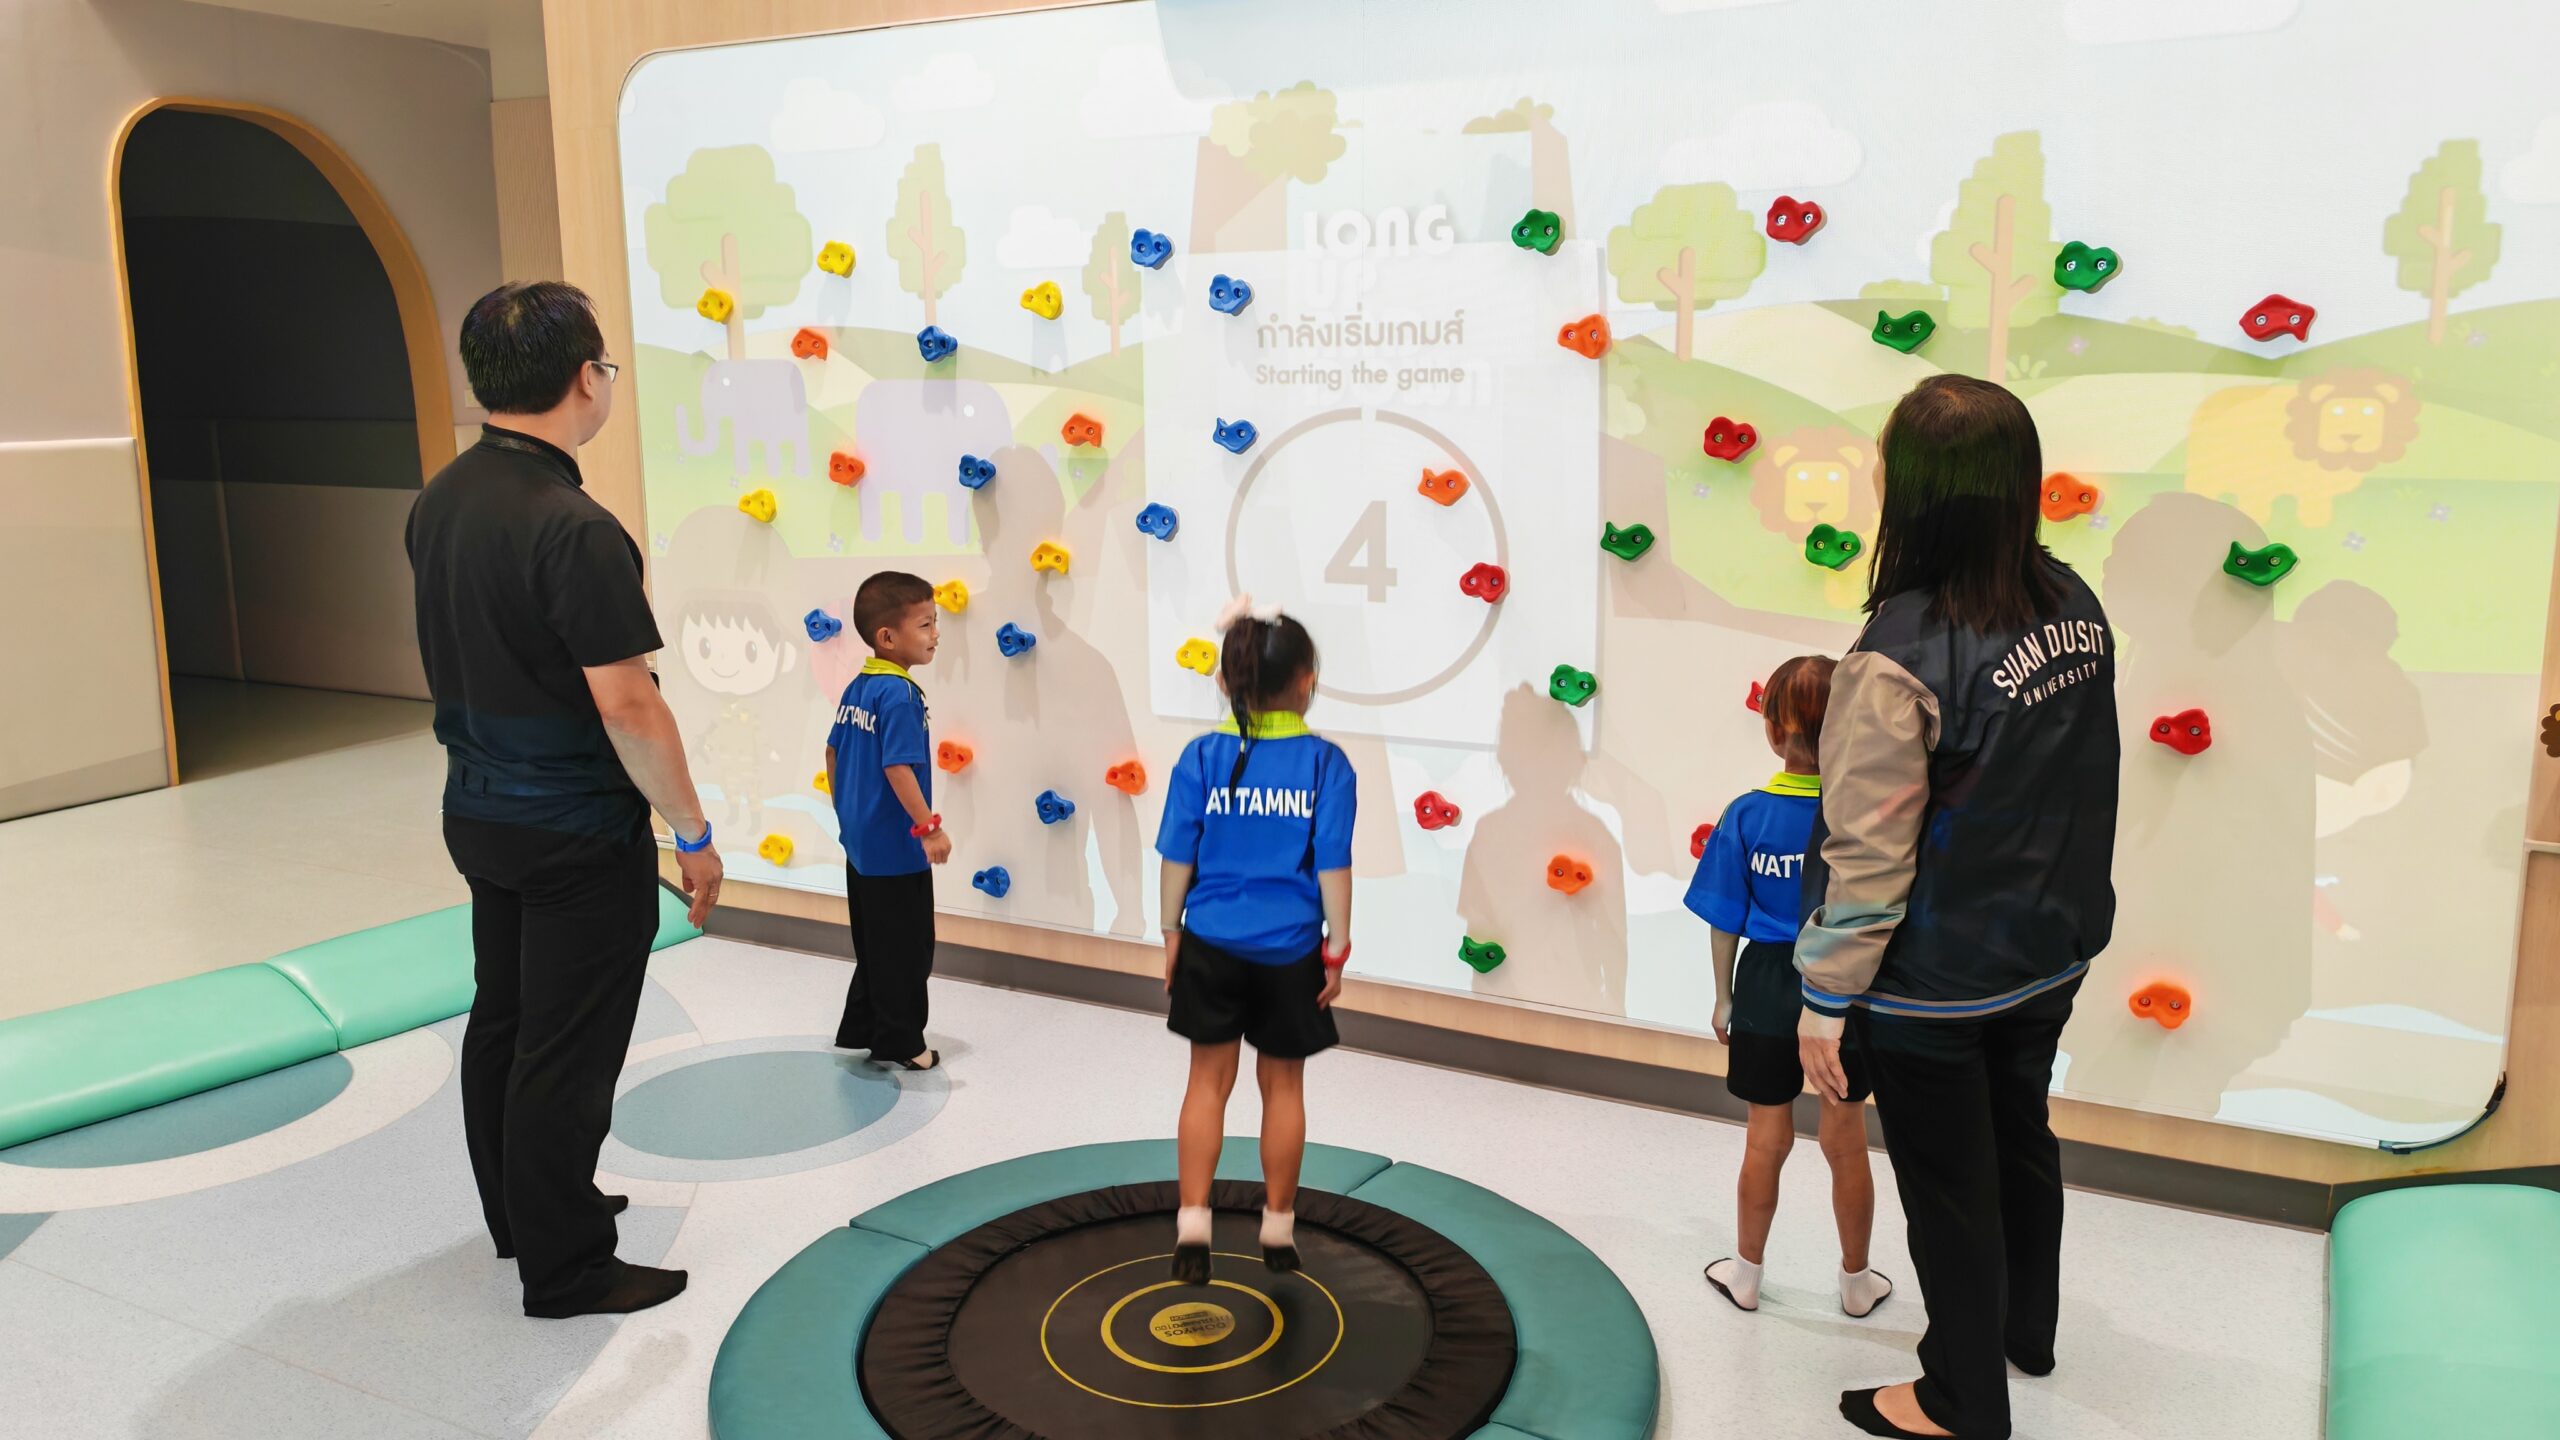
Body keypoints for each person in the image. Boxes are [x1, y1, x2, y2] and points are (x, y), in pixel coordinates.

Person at [1795, 375, 2119, 1439]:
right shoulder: (2072, 601)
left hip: (1935, 982)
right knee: (2020, 1135)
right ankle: (2026, 1333)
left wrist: (1823, 999)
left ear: (1915, 491)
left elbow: (1867, 852)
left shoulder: (1895, 655)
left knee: (1947, 1186)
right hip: (2050, 946)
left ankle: (1959, 1398)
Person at [407, 281, 722, 1319]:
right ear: (587, 378)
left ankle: (523, 1215)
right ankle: (570, 1265)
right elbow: (628, 705)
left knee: (504, 1019)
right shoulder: (574, 527)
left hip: (477, 812)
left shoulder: (442, 499)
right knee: (567, 1049)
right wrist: (692, 831)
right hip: (574, 831)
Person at [1155, 597, 1354, 1285]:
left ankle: (1193, 1222)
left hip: (1210, 942)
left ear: (1224, 681)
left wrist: (1170, 934)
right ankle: (1277, 1226)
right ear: (1307, 681)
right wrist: (1336, 949)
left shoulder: (1201, 756)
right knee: (1284, 1087)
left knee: (1206, 1084)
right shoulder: (1326, 765)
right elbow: (1333, 866)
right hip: (1290, 950)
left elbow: (1177, 857)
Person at [1688, 655, 1892, 1321]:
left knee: (1764, 1137)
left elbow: (1724, 917)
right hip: (1845, 986)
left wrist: (1724, 997)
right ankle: (1856, 1283)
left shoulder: (1746, 814)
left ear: (1773, 731)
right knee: (1845, 1139)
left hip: (1766, 985)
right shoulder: (1864, 818)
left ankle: (1746, 1276)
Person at [825, 570, 950, 1070]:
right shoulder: (900, 696)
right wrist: (929, 828)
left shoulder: (859, 687)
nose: (936, 633)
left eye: (935, 622)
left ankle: (867, 1027)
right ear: (888, 637)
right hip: (897, 850)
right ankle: (904, 1043)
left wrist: (847, 811)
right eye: (925, 624)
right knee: (908, 949)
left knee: (875, 943)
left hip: (861, 845)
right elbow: (899, 767)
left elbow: (833, 753)